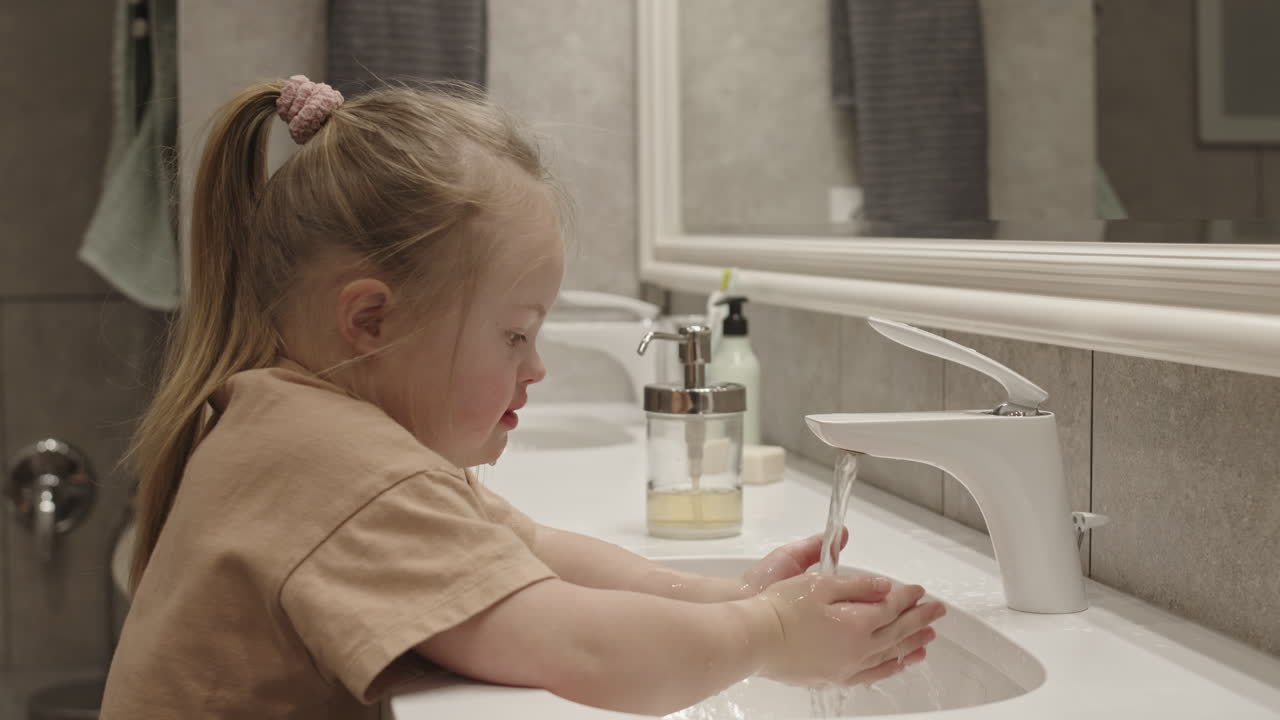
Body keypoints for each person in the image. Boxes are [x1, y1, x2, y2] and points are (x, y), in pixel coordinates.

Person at [101, 75, 945, 719]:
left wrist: (729, 599)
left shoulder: (308, 429)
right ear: (370, 320)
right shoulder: (346, 473)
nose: (535, 368)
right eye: (513, 335)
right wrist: (772, 637)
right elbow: (583, 648)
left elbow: (537, 550)